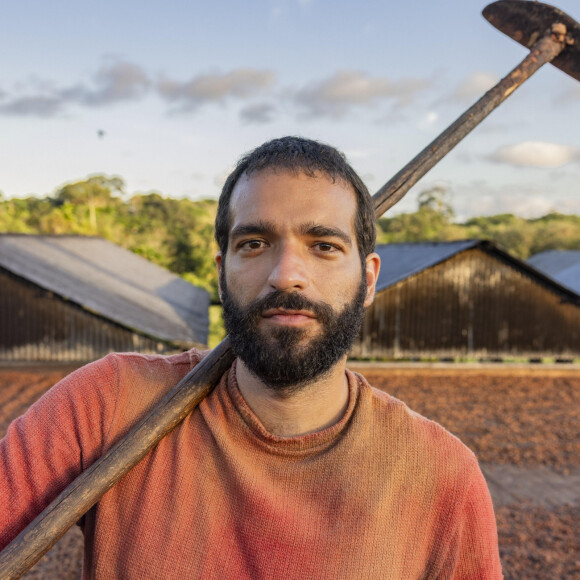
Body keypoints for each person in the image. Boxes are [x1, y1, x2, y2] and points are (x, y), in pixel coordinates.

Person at [0, 136, 503, 579]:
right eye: (255, 243)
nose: (286, 274)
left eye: (324, 245)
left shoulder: (441, 474)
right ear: (222, 271)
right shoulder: (109, 404)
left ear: (368, 279)